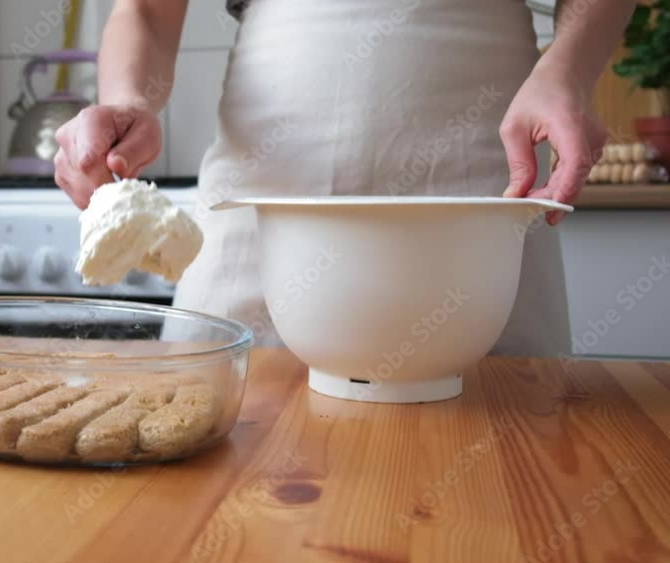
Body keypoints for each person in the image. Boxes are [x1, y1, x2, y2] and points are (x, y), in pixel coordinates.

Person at [53, 0, 631, 352]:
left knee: (511, 441)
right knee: (223, 427)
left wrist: (568, 70)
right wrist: (130, 100)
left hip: (484, 152)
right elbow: (149, 12)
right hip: (268, 173)